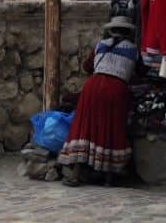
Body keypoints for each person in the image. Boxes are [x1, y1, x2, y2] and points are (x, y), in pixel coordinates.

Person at [59, 15, 139, 184]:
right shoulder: (133, 50)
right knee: (111, 127)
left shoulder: (101, 45)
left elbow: (87, 66)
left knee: (85, 127)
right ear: (128, 32)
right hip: (116, 89)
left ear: (111, 30)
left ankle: (76, 174)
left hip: (93, 87)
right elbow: (138, 72)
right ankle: (108, 177)